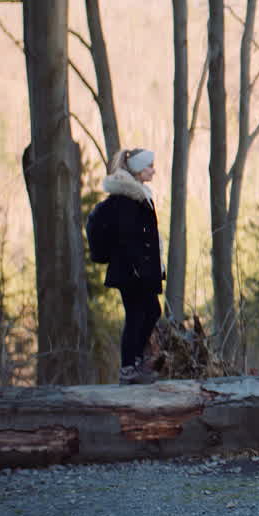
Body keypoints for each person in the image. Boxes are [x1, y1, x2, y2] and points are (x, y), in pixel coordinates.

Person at [92, 147, 164, 385]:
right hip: (132, 272)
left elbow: (147, 239)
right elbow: (128, 239)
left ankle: (135, 363)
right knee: (137, 316)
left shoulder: (138, 195)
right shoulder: (127, 199)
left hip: (138, 271)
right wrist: (138, 268)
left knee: (150, 312)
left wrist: (154, 267)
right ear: (137, 169)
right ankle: (128, 368)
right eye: (149, 166)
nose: (153, 170)